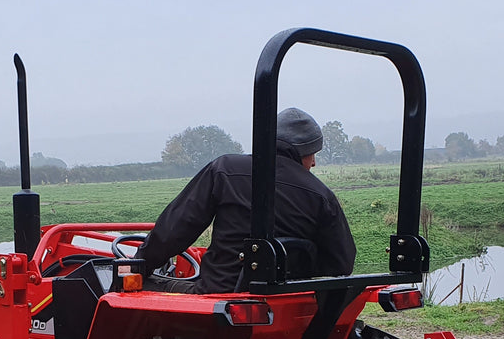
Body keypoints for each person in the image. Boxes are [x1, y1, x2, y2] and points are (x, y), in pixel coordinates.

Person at [136, 108, 355, 293]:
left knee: (131, 285)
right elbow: (341, 263)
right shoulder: (321, 195)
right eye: (311, 153)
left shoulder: (225, 170)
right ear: (300, 152)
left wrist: (139, 264)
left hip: (218, 297)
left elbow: (177, 228)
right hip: (285, 303)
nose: (314, 162)